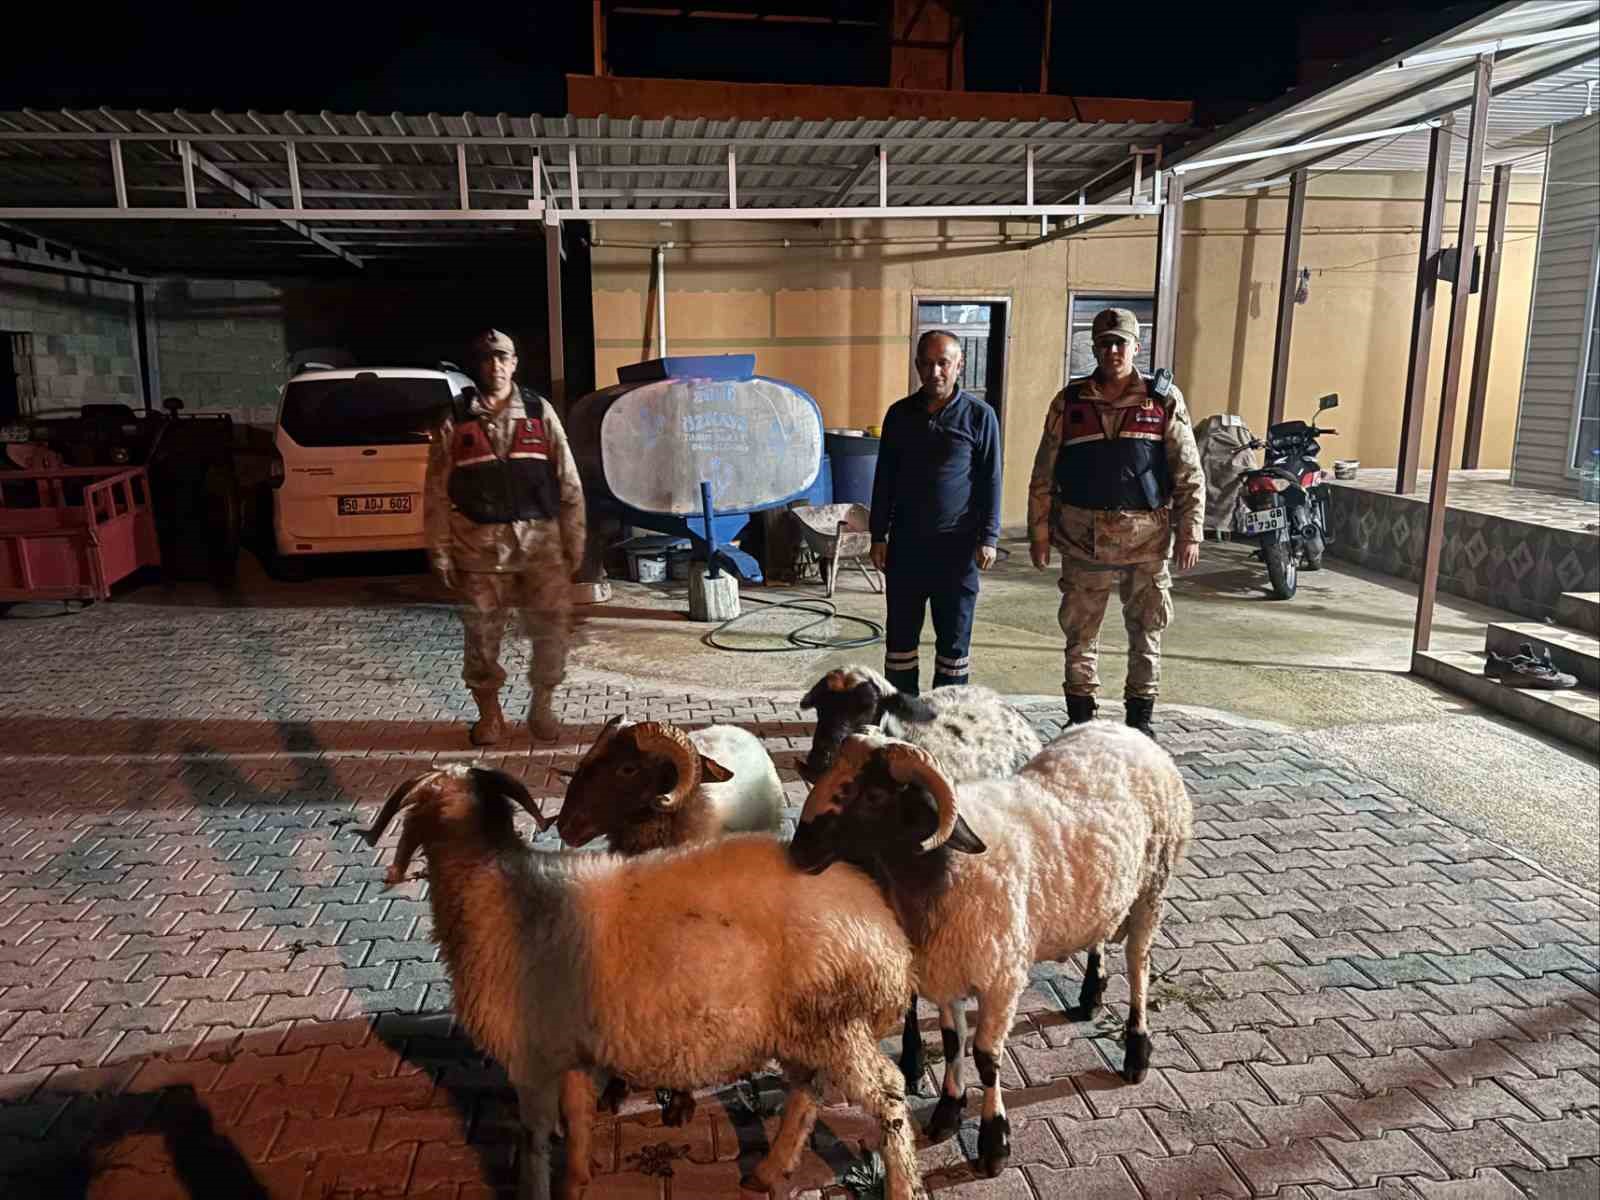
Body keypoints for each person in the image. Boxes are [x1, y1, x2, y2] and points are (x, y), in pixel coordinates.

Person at [1027, 307, 1204, 738]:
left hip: (1146, 540)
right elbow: (1044, 472)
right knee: (1079, 633)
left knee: (1146, 631)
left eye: (1119, 342)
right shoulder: (1069, 402)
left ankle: (1140, 722)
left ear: (1135, 347)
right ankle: (1081, 719)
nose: (1112, 350)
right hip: (1081, 540)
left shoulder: (1162, 400)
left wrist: (1190, 530)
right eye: (1104, 342)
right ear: (1094, 347)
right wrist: (1040, 531)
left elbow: (1187, 471)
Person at [425, 329, 586, 745]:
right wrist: (439, 549)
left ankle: (543, 705)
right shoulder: (456, 418)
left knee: (551, 631)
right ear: (477, 366)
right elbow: (437, 490)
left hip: (541, 546)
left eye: (503, 358)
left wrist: (576, 538)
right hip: (478, 548)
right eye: (487, 359)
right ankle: (490, 715)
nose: (495, 366)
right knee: (481, 637)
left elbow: (568, 479)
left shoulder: (538, 410)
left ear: (514, 363)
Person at [869, 329, 1002, 694]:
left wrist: (989, 537)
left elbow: (991, 480)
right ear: (916, 366)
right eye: (926, 364)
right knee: (900, 642)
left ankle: (946, 717)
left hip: (956, 550)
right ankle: (900, 715)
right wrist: (878, 535)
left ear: (959, 365)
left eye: (943, 363)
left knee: (954, 644)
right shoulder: (898, 416)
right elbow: (884, 480)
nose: (935, 372)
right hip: (906, 548)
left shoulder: (980, 416)